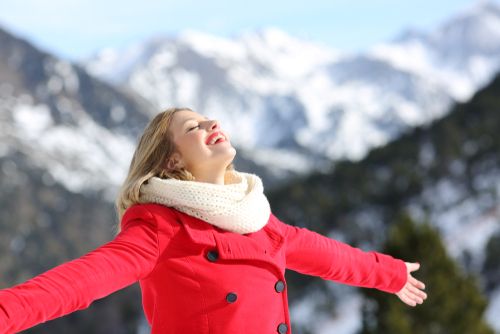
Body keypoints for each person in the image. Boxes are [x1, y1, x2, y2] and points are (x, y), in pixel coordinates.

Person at [0, 107, 427, 334]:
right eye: (193, 127)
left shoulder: (256, 217)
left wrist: (386, 273)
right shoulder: (158, 228)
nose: (211, 125)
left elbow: (321, 252)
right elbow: (78, 283)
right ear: (171, 159)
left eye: (209, 120)